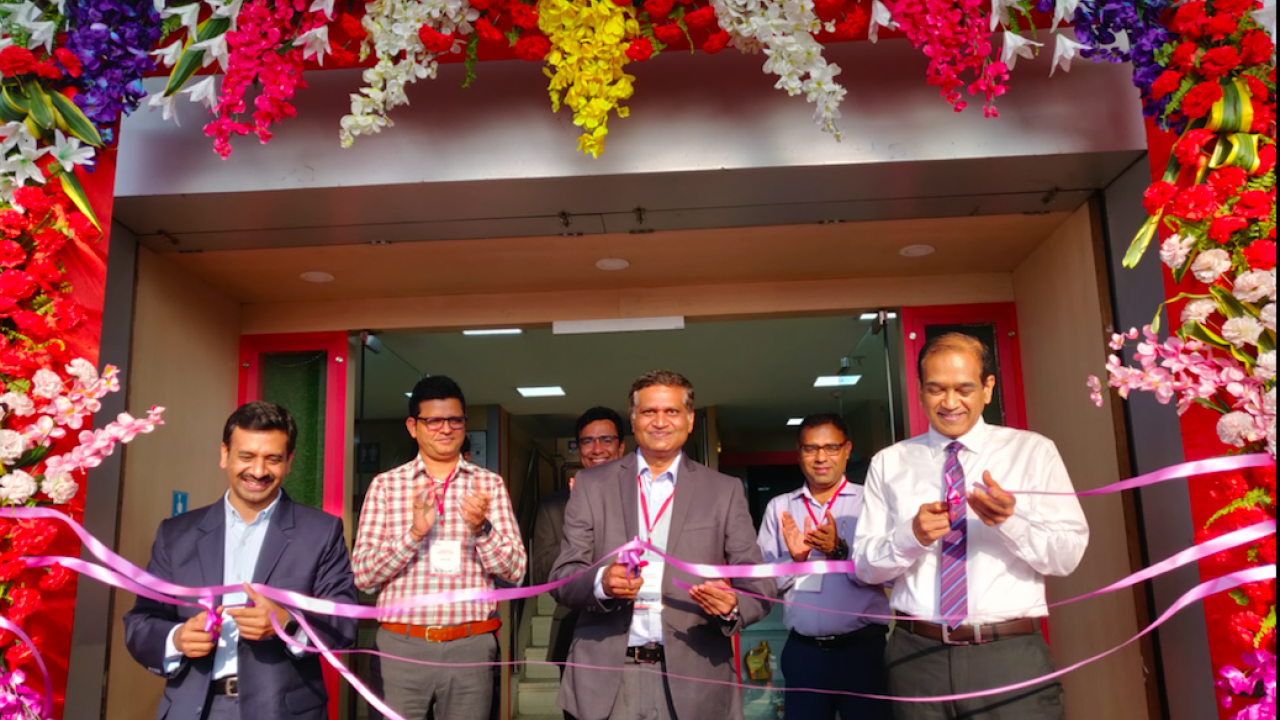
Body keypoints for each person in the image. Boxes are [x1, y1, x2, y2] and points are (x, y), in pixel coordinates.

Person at [853, 333, 1089, 720]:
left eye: (964, 389)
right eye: (936, 390)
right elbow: (865, 567)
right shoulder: (889, 463)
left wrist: (1011, 523)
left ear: (988, 388)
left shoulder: (1033, 452)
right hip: (916, 658)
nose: (949, 403)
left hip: (1008, 656)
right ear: (919, 390)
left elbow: (1066, 557)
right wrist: (909, 537)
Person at [550, 370, 775, 720]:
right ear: (634, 419)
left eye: (671, 412)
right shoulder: (591, 485)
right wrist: (601, 584)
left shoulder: (723, 491)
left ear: (689, 420)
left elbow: (758, 584)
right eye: (649, 412)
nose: (659, 421)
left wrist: (732, 604)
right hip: (607, 677)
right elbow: (564, 575)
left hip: (695, 675)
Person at [123, 402, 358, 720]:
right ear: (225, 455)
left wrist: (285, 623)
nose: (258, 471)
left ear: (288, 461)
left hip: (282, 712)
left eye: (272, 459)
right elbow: (141, 622)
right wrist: (176, 639)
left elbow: (343, 623)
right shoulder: (176, 534)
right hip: (194, 710)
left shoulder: (321, 532)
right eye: (246, 456)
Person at [352, 376, 526, 720]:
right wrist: (414, 535)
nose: (445, 429)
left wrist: (482, 528)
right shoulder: (386, 486)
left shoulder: (489, 484)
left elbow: (516, 572)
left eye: (455, 420)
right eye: (433, 420)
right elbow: (363, 577)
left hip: (471, 645)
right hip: (401, 645)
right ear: (413, 427)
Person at [756, 413, 892, 720]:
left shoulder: (871, 503)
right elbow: (762, 581)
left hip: (863, 651)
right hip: (804, 653)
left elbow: (891, 571)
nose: (820, 457)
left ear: (847, 450)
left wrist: (839, 550)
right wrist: (795, 561)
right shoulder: (780, 507)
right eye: (810, 448)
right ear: (799, 453)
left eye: (831, 447)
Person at [532, 407, 628, 720]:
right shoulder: (554, 505)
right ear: (578, 448)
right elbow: (541, 572)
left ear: (621, 447)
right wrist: (578, 520)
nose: (597, 448)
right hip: (575, 633)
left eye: (605, 440)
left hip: (634, 635)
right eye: (587, 441)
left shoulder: (642, 497)